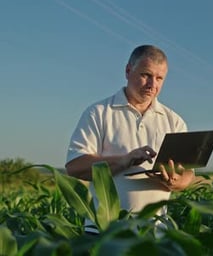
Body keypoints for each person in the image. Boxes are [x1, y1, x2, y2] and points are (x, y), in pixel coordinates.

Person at [65, 44, 195, 217]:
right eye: (146, 75)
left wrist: (173, 180)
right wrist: (124, 160)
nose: (152, 84)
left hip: (155, 233)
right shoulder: (99, 112)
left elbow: (188, 175)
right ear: (128, 71)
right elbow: (75, 166)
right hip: (106, 231)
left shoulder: (175, 121)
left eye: (159, 78)